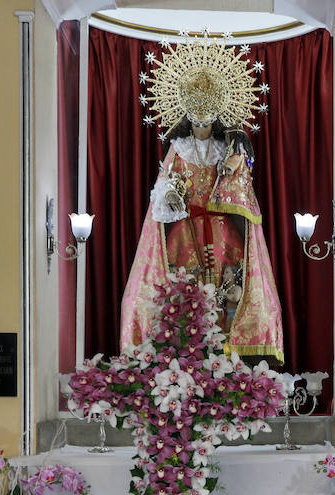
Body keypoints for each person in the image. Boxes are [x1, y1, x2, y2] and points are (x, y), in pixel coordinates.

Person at [119, 34, 283, 363]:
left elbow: (243, 191)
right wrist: (172, 197)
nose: (202, 124)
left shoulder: (230, 148)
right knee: (184, 292)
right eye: (196, 117)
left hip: (224, 231)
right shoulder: (177, 150)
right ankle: (186, 357)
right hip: (185, 229)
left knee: (229, 289)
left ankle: (228, 360)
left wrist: (232, 171)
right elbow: (163, 187)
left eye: (207, 117)